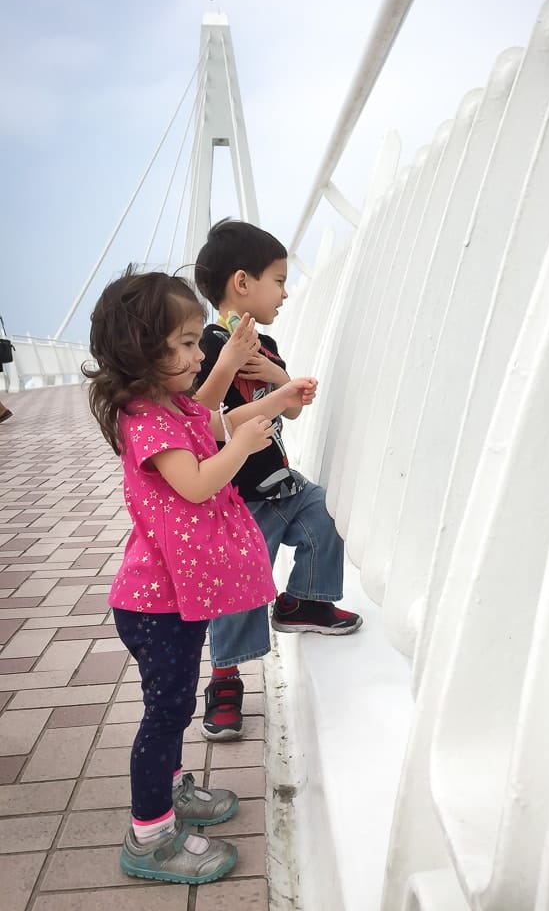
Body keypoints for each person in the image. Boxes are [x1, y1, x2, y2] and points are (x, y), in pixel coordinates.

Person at [84, 264, 317, 884]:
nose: (197, 354)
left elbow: (217, 420)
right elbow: (194, 483)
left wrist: (277, 399)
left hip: (167, 600)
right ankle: (149, 834)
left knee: (172, 705)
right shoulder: (146, 420)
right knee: (165, 714)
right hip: (153, 605)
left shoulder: (168, 406)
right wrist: (241, 450)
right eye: (185, 344)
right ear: (142, 350)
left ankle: (166, 789)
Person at [193, 219, 362, 742]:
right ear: (243, 283)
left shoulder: (264, 343)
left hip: (280, 483)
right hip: (237, 499)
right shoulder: (202, 348)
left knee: (324, 514)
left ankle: (302, 601)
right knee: (238, 591)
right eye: (279, 280)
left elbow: (290, 415)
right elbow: (206, 424)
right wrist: (237, 370)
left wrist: (280, 380)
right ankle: (225, 678)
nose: (287, 293)